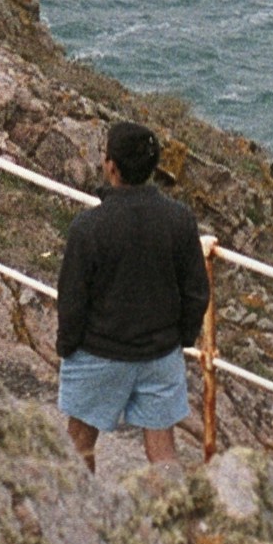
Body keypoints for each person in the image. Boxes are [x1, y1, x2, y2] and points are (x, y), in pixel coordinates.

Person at [56, 119, 209, 467]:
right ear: (154, 168)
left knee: (79, 446)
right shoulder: (180, 219)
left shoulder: (89, 227)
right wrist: (179, 339)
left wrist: (68, 347)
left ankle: (82, 519)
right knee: (163, 452)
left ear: (111, 166)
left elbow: (72, 300)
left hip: (98, 353)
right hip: (160, 355)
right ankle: (171, 519)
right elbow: (197, 291)